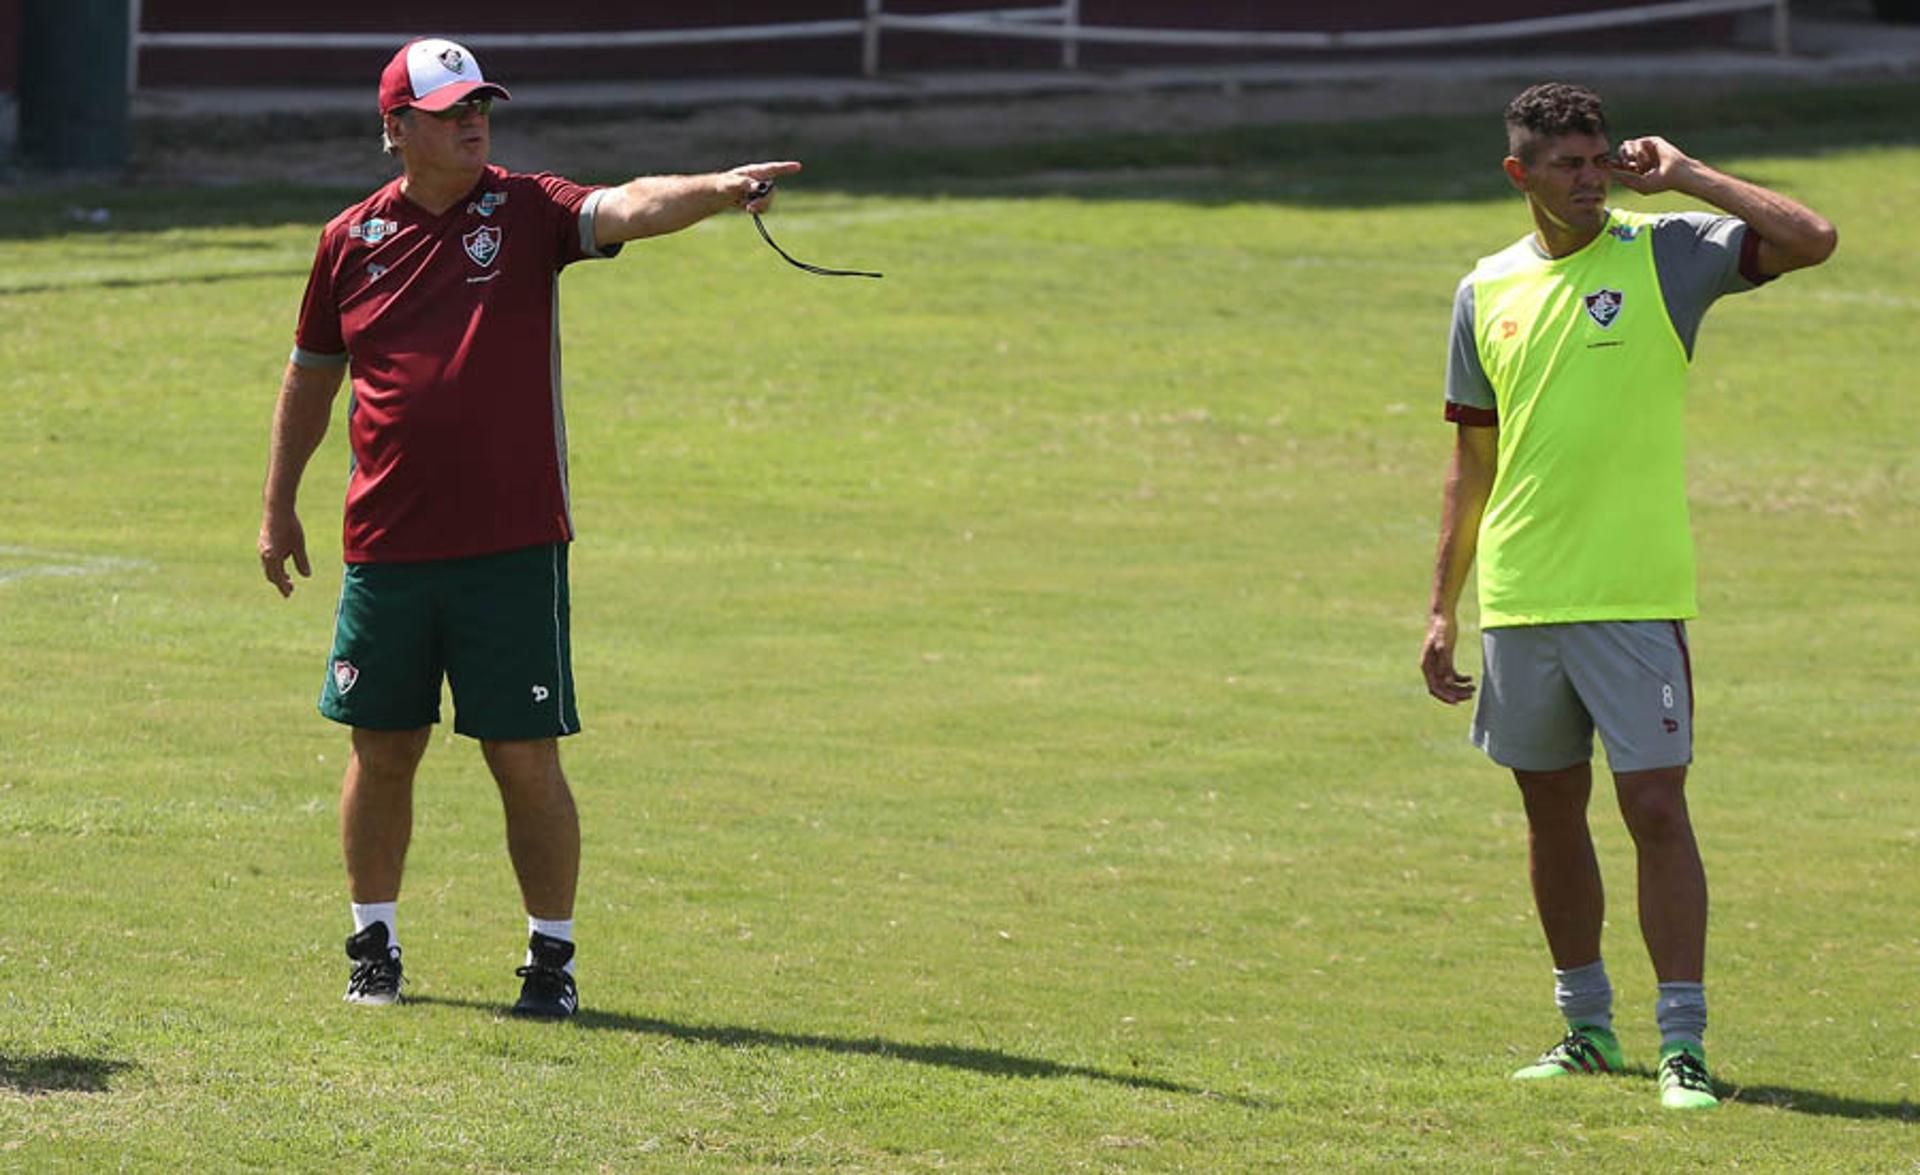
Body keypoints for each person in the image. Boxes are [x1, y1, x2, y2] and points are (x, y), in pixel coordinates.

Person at [256, 36, 799, 1018]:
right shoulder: (349, 242)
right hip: (386, 547)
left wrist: (718, 188)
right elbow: (311, 375)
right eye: (451, 109)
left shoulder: (527, 208)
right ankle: (372, 940)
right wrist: (276, 503)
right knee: (382, 746)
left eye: (482, 106)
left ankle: (552, 957)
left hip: (513, 546)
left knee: (523, 754)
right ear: (396, 129)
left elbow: (627, 201)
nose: (475, 122)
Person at [1419, 83, 1835, 1109]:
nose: (1591, 178)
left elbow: (1813, 237)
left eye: (1599, 158)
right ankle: (1586, 1027)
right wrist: (1441, 603)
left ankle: (1683, 1043)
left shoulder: (1665, 252)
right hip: (1522, 596)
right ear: (1520, 173)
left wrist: (1688, 172)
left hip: (1636, 593)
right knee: (1549, 811)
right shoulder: (1485, 291)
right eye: (1567, 164)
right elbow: (1473, 461)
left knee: (1653, 804)